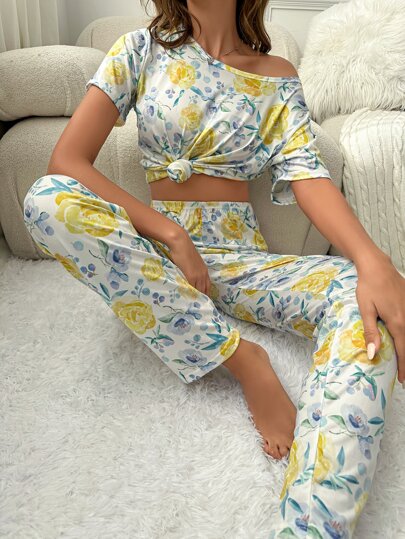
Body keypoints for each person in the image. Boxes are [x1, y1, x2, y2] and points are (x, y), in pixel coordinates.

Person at [23, 0, 405, 536]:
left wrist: (372, 260)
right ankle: (243, 360)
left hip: (241, 259)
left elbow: (308, 175)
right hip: (154, 258)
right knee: (47, 200)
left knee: (360, 296)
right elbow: (66, 161)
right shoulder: (140, 50)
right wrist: (170, 233)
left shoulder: (277, 76)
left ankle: (313, 524)